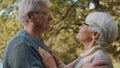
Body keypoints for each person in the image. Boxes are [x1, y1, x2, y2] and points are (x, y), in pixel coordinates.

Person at [3, 0, 110, 67]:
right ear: (30, 16)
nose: (51, 17)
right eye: (45, 14)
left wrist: (58, 64)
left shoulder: (36, 42)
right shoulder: (22, 45)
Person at [38, 12, 118, 68]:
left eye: (84, 24)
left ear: (95, 34)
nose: (80, 27)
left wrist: (52, 66)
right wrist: (58, 64)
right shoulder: (88, 54)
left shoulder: (98, 60)